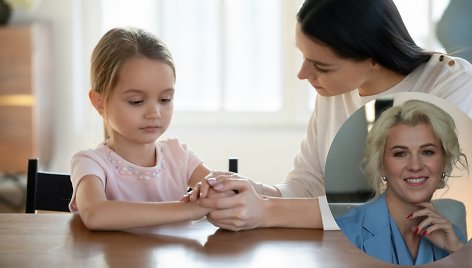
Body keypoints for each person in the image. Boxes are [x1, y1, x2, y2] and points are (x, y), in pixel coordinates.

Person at [184, 0, 472, 231]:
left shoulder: (451, 82)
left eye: (320, 66)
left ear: (373, 59)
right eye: (303, 57)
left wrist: (266, 210)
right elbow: (307, 184)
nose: (302, 74)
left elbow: (414, 205)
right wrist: (251, 191)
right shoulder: (335, 89)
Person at [69, 27, 215, 230]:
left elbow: (225, 190)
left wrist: (222, 190)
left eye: (165, 99)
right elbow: (95, 214)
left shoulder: (179, 155)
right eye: (136, 101)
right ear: (99, 102)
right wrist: (189, 210)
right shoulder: (90, 163)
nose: (154, 113)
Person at [336, 100, 468, 265]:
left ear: (444, 162)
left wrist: (457, 250)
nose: (415, 166)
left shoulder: (452, 235)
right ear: (381, 165)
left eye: (427, 152)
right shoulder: (347, 232)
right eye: (400, 154)